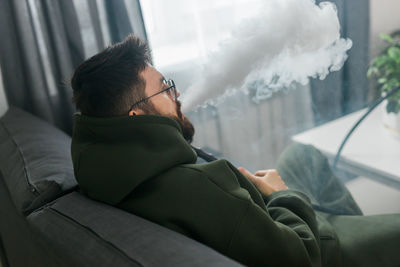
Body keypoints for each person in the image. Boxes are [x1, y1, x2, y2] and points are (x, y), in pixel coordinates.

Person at [70, 34, 400, 267]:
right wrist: (281, 194)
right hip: (322, 245)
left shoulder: (104, 172)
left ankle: (364, 234)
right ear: (136, 115)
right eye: (165, 88)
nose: (177, 92)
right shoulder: (199, 186)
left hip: (275, 225)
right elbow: (303, 257)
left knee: (302, 156)